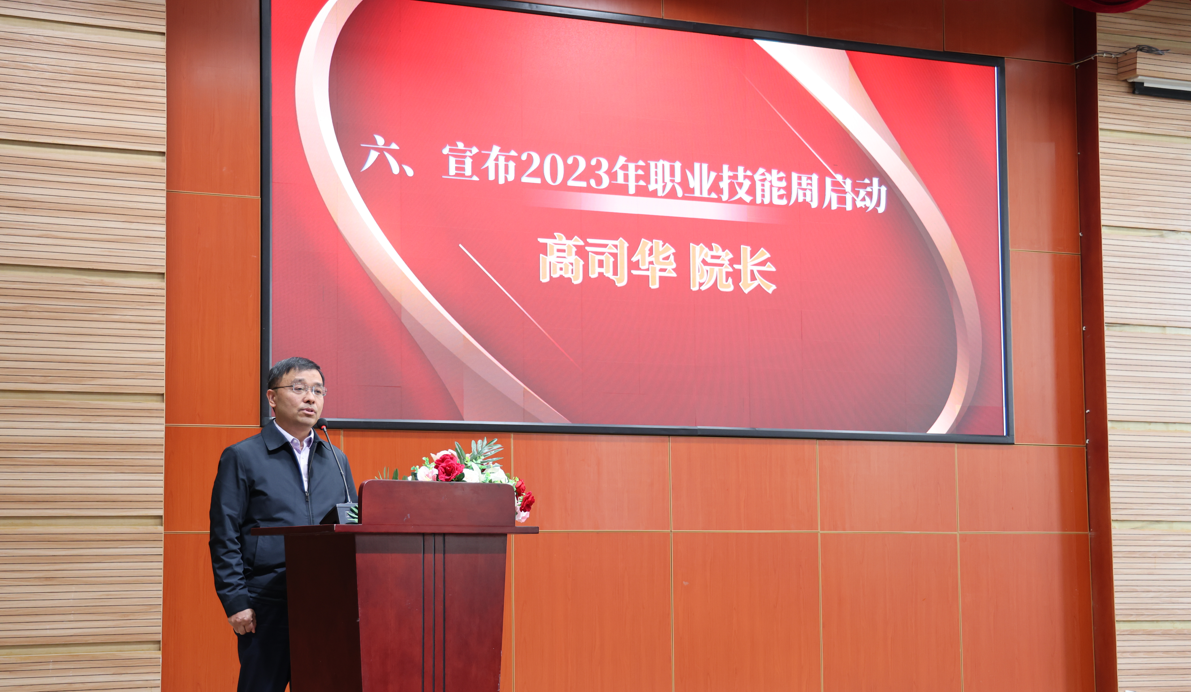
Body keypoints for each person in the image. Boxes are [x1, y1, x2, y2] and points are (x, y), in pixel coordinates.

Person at [209, 356, 357, 692]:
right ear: (272, 397)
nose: (310, 398)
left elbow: (349, 526)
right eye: (299, 388)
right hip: (266, 602)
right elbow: (224, 535)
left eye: (318, 390)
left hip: (325, 603)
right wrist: (236, 601)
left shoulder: (336, 459)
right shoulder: (243, 456)